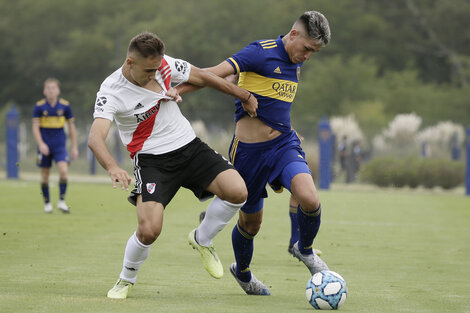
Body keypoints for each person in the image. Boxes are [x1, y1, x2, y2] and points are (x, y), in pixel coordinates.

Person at [88, 32, 258, 299]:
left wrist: (243, 95)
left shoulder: (164, 64)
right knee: (149, 230)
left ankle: (203, 238)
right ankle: (125, 279)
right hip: (152, 161)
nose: (155, 74)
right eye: (148, 70)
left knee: (238, 191)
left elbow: (203, 76)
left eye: (158, 68)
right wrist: (112, 167)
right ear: (130, 62)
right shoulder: (111, 90)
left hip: (189, 147)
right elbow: (95, 137)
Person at [179, 11, 331, 296]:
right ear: (294, 34)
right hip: (249, 153)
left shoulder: (296, 64)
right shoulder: (259, 53)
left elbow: (277, 104)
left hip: (284, 146)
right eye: (308, 49)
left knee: (309, 198)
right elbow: (211, 74)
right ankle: (243, 272)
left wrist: (290, 129)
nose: (309, 56)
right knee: (251, 223)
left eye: (315, 52)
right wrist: (177, 91)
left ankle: (305, 249)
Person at [32, 78, 78, 213]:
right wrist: (41, 144)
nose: (51, 90)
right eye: (48, 88)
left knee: (63, 172)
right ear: (44, 91)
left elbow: (71, 127)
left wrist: (74, 146)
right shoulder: (39, 106)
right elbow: (35, 127)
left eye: (53, 88)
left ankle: (62, 201)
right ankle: (47, 203)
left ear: (58, 90)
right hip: (44, 146)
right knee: (44, 176)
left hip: (59, 146)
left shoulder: (65, 106)